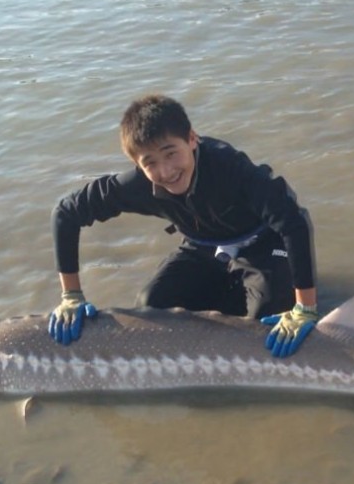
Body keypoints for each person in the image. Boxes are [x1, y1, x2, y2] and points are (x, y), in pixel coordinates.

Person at [48, 94, 318, 357]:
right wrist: (71, 295)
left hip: (262, 244)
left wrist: (305, 306)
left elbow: (294, 223)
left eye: (171, 153)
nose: (166, 171)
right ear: (137, 164)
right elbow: (66, 213)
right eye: (150, 162)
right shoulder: (136, 186)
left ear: (192, 139)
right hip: (202, 246)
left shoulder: (231, 169)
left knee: (263, 326)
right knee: (150, 309)